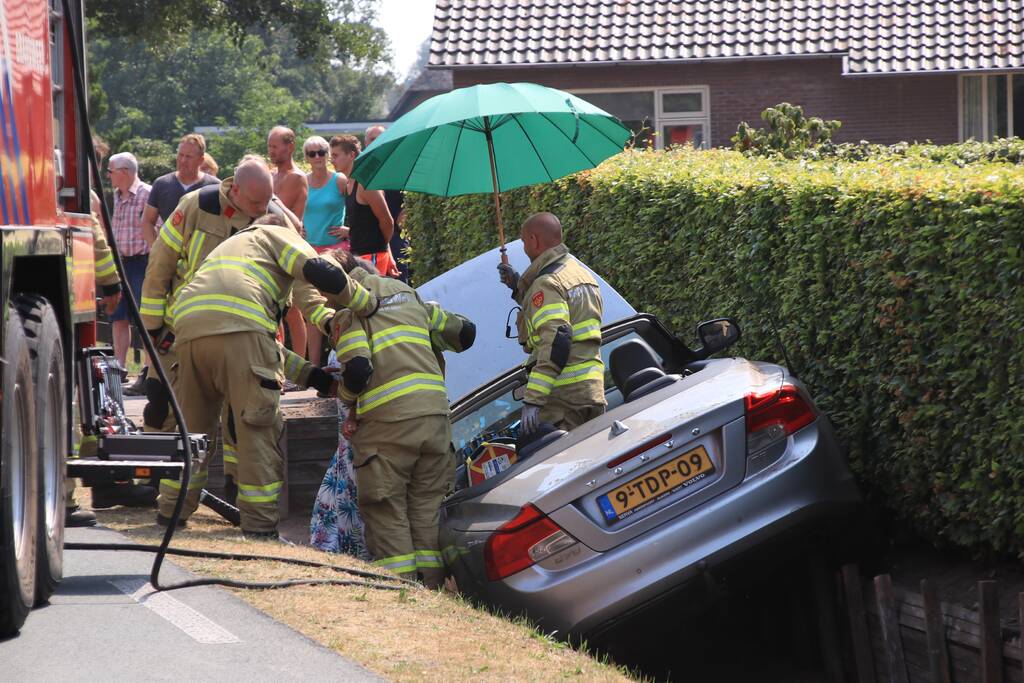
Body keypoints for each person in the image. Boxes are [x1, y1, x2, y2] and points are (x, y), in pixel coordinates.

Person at [169, 212, 377, 537]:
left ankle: (171, 512)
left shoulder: (230, 249)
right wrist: (365, 303)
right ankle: (260, 530)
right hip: (242, 331)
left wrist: (319, 379)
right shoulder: (276, 235)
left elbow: (266, 350)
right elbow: (317, 272)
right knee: (258, 432)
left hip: (188, 329)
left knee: (193, 432)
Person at [329, 251, 475, 585]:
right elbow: (465, 333)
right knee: (427, 509)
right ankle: (434, 590)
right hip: (435, 420)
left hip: (387, 428)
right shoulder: (408, 294)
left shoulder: (350, 311)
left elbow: (358, 369)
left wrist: (347, 402)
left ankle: (403, 595)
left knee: (387, 511)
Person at [497, 212, 606, 434]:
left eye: (524, 241)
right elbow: (570, 318)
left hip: (564, 399)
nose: (525, 248)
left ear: (533, 241)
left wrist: (533, 400)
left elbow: (556, 342)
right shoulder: (581, 274)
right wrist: (519, 286)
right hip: (592, 390)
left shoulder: (546, 284)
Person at [132, 134, 218, 396]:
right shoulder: (163, 184)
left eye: (188, 156)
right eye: (180, 155)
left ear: (201, 160)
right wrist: (156, 248)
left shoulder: (213, 187)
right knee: (154, 317)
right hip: (167, 266)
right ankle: (152, 372)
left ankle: (199, 373)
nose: (182, 160)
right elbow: (147, 221)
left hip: (200, 269)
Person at [302, 135, 349, 366]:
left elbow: (361, 206)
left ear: (328, 153)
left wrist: (348, 229)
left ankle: (341, 360)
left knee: (338, 307)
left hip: (335, 251)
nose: (318, 157)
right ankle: (314, 366)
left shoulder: (339, 180)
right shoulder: (302, 182)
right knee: (314, 308)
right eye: (312, 153)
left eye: (321, 151)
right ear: (306, 158)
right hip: (309, 251)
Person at [106, 152, 152, 373]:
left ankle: (147, 369)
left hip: (141, 263)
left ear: (124, 172)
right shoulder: (117, 195)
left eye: (110, 171)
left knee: (145, 317)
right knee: (119, 316)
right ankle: (120, 367)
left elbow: (157, 227)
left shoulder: (147, 194)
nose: (108, 176)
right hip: (120, 263)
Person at [329, 135, 398, 277]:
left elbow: (387, 222)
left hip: (373, 258)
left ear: (351, 155)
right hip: (358, 256)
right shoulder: (348, 184)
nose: (332, 160)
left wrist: (380, 250)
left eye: (336, 155)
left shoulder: (366, 185)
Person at [268, 126, 309, 360]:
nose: (272, 151)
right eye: (270, 147)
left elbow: (288, 216)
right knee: (274, 309)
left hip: (288, 246)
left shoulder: (297, 177)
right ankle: (279, 362)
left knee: (293, 311)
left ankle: (300, 366)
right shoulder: (271, 176)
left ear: (290, 146)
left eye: (276, 146)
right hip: (269, 246)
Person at [364, 125, 409, 282]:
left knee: (400, 281)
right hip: (369, 237)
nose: (377, 142)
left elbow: (411, 194)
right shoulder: (361, 169)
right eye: (372, 139)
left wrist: (407, 210)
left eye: (381, 138)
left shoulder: (399, 166)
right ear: (365, 143)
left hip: (395, 234)